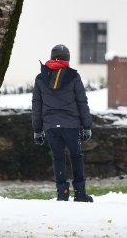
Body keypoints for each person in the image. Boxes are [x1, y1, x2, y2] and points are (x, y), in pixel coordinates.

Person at [31, 44, 94, 202]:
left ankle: (62, 193)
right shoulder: (73, 76)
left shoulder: (41, 78)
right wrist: (87, 126)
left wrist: (37, 129)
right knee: (76, 157)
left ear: (52, 57)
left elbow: (36, 105)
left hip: (51, 126)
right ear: (67, 59)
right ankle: (80, 193)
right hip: (70, 125)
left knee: (58, 158)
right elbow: (82, 103)